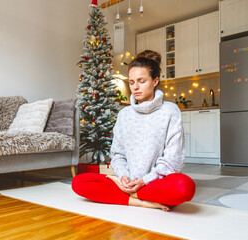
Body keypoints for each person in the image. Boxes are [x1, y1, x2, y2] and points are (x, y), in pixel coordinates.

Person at [72, 50, 196, 211]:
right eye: (131, 82)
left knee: (184, 187)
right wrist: (123, 177)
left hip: (154, 182)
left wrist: (145, 180)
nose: (135, 87)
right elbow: (117, 154)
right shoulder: (124, 114)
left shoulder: (170, 111)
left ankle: (128, 196)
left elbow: (174, 159)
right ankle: (139, 201)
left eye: (141, 81)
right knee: (78, 182)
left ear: (155, 81)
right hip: (126, 183)